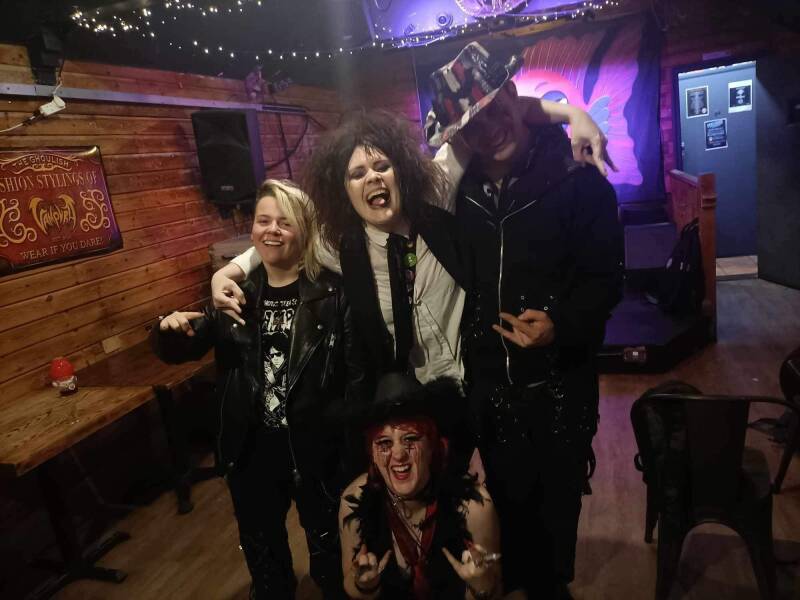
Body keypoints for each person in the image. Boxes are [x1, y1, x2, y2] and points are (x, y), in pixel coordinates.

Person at [426, 42, 625, 599]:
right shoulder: (459, 194)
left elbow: (606, 282)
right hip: (492, 392)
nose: (490, 129)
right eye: (473, 123)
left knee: (557, 522)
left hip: (560, 389)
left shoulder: (577, 179)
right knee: (509, 512)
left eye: (495, 108)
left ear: (514, 94)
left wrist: (559, 323)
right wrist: (569, 110)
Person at [151, 180, 364, 599]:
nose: (272, 230)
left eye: (284, 222)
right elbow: (183, 346)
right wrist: (167, 329)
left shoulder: (333, 294)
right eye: (263, 221)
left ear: (304, 230)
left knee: (330, 554)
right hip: (251, 449)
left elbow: (355, 377)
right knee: (264, 560)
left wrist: (351, 450)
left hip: (316, 448)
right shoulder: (235, 296)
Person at [339, 373, 502, 599]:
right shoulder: (354, 500)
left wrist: (480, 585)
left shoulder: (474, 508)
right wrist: (365, 585)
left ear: (432, 444)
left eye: (411, 439)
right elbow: (350, 582)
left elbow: (495, 592)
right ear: (372, 453)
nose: (398, 454)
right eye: (384, 443)